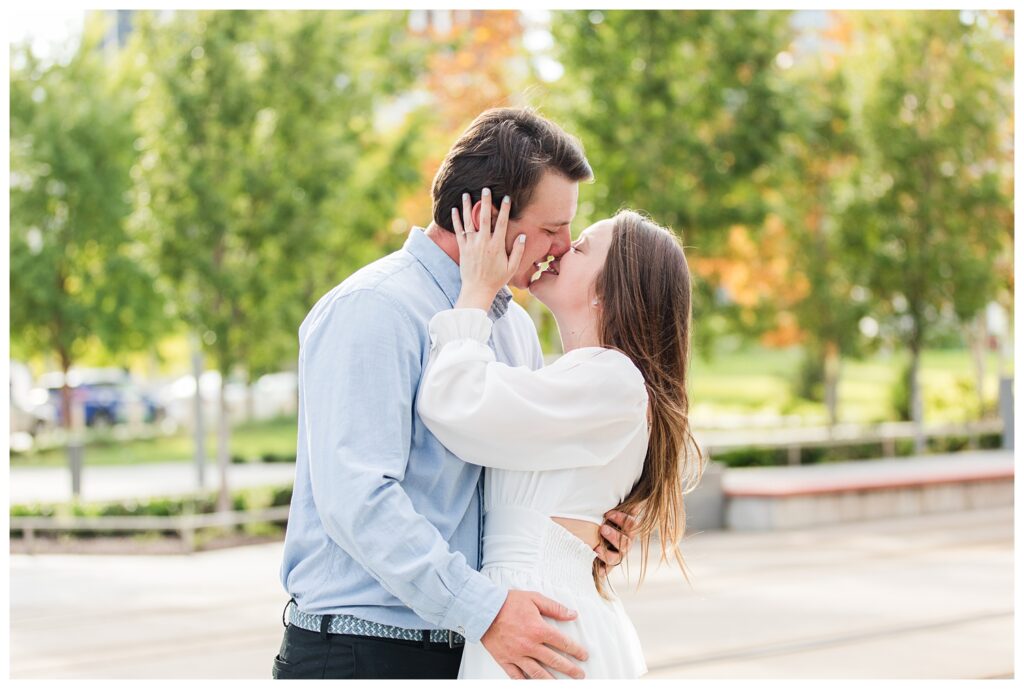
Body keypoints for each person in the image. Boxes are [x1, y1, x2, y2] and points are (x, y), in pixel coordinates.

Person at [273, 108, 641, 680]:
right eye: (550, 229)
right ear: (484, 217)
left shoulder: (514, 328)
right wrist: (483, 609)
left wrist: (585, 526)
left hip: (476, 648)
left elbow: (516, 475)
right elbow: (359, 499)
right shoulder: (374, 309)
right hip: (364, 652)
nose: (564, 247)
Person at [417, 193, 705, 679]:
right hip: (534, 614)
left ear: (608, 292)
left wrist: (476, 292)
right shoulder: (583, 378)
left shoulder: (612, 380)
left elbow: (456, 403)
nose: (563, 246)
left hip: (542, 620)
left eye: (584, 247)